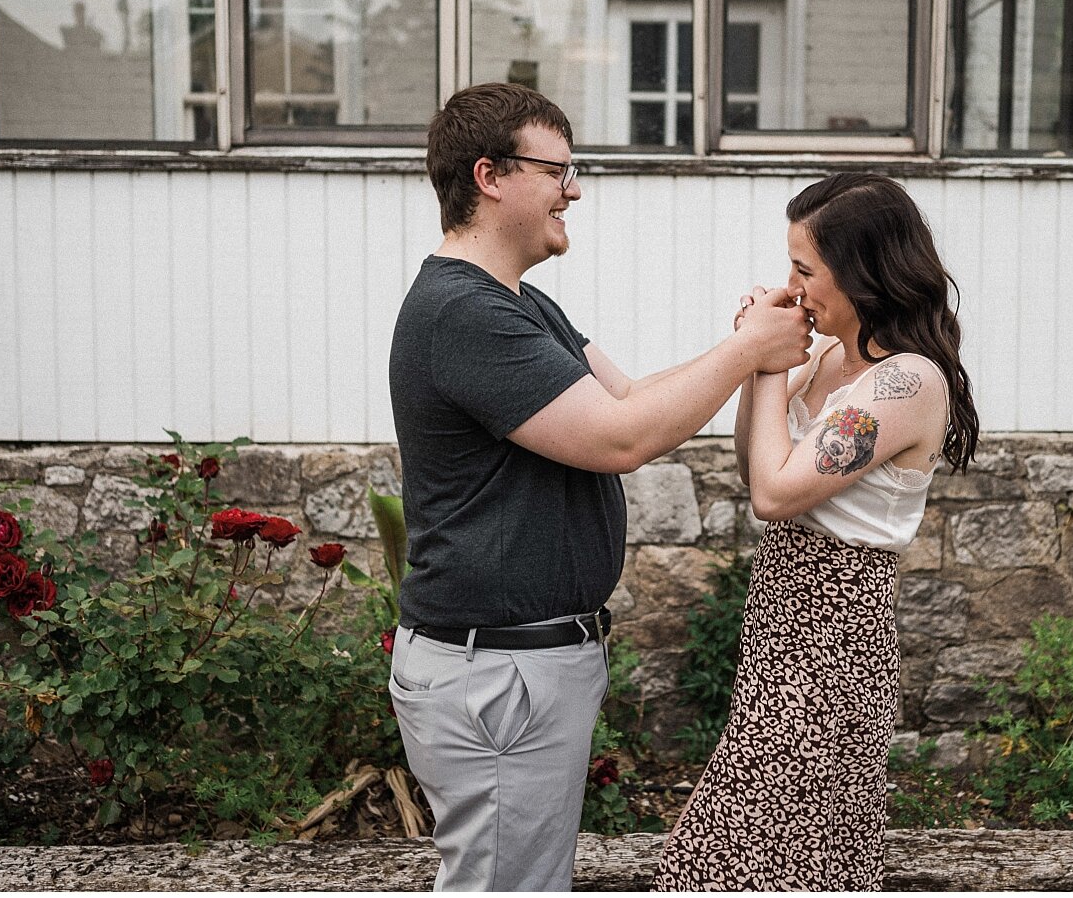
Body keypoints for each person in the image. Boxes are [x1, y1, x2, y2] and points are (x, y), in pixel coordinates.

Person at [386, 82, 812, 891]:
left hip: (519, 666)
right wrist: (751, 350)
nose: (574, 190)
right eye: (560, 170)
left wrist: (747, 349)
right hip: (499, 674)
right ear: (490, 176)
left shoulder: (516, 303)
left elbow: (625, 400)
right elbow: (622, 440)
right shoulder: (463, 314)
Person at [653, 172, 980, 890]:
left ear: (862, 274)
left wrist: (762, 357)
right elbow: (755, 461)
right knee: (757, 859)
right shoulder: (831, 358)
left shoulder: (907, 383)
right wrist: (757, 365)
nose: (792, 287)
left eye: (804, 270)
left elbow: (774, 494)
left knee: (751, 858)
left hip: (832, 653)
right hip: (780, 636)